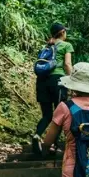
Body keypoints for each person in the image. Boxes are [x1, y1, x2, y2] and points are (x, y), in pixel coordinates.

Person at [33, 23, 74, 153]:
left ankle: (37, 134)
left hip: (41, 81)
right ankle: (55, 145)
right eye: (65, 31)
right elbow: (67, 64)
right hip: (57, 81)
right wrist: (73, 80)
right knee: (60, 114)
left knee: (47, 115)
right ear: (62, 32)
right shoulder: (66, 45)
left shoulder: (46, 46)